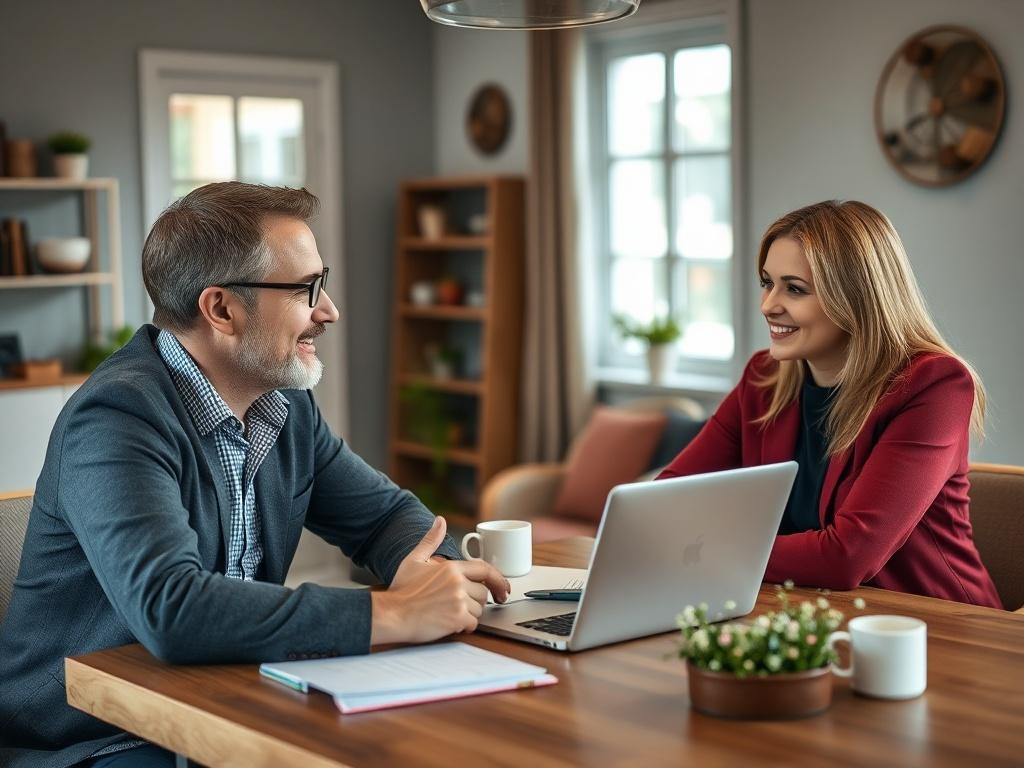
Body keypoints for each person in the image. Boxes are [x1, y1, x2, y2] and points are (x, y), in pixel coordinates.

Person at [0, 182, 510, 768]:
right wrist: (393, 613)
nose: (329, 310)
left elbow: (389, 518)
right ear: (221, 309)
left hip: (228, 697)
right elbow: (172, 609)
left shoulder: (283, 406)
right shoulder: (117, 418)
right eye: (305, 290)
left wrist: (441, 584)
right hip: (99, 735)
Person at [659, 200, 1001, 608]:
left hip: (936, 626)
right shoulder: (763, 379)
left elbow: (847, 556)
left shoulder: (934, 386)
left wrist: (704, 551)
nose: (769, 305)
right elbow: (667, 501)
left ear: (855, 298)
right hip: (804, 612)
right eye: (767, 282)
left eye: (795, 289)